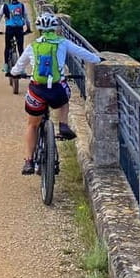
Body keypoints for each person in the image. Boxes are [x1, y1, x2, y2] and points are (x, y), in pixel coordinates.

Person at [8, 13, 105, 175]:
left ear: (39, 29)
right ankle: (63, 124)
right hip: (56, 90)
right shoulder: (63, 42)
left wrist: (13, 73)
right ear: (55, 28)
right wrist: (98, 60)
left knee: (32, 125)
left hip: (37, 91)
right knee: (65, 96)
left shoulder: (33, 46)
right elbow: (83, 53)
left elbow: (18, 67)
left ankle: (28, 161)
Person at [0, 0, 32, 72]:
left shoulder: (5, 6)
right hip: (19, 29)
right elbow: (27, 19)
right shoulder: (22, 6)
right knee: (20, 48)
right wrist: (28, 29)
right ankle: (22, 69)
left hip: (9, 29)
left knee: (7, 47)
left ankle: (5, 65)